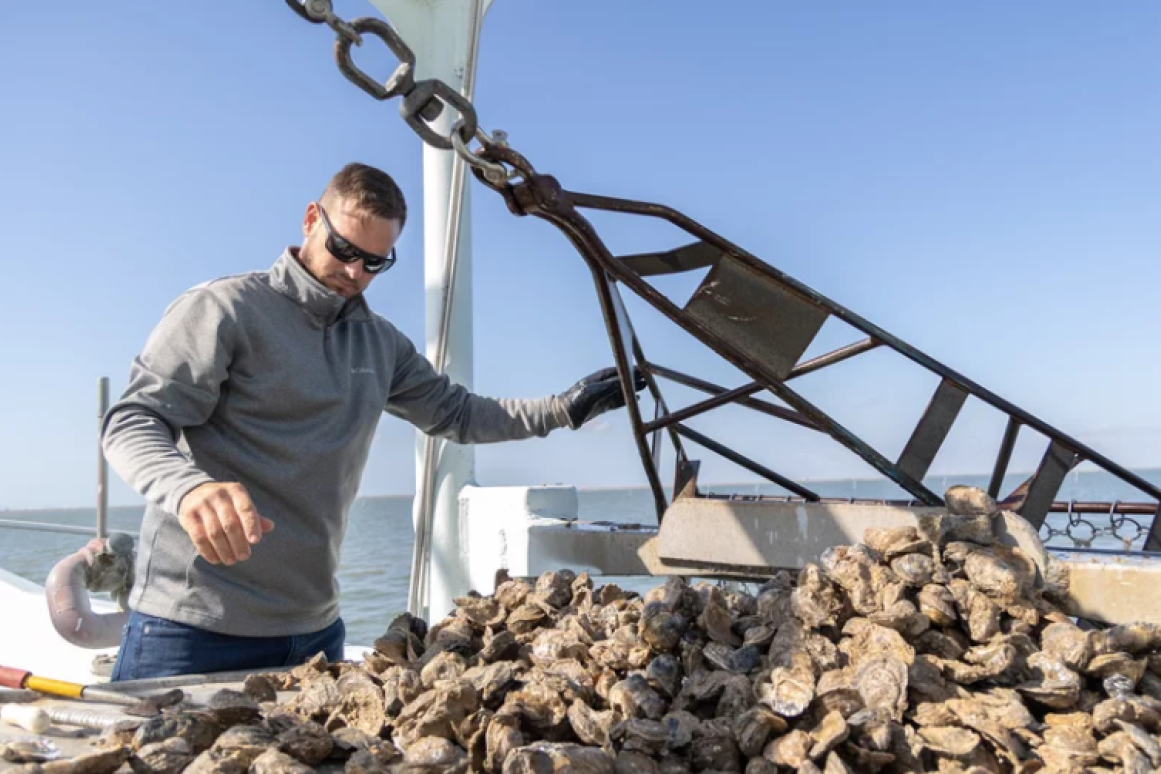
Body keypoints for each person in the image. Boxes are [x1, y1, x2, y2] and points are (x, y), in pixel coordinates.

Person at [101, 162, 644, 681]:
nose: (356, 272)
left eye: (375, 263)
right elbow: (132, 421)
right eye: (344, 250)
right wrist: (188, 488)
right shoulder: (225, 309)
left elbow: (458, 412)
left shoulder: (379, 343)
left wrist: (565, 408)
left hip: (314, 636)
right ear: (313, 219)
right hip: (190, 627)